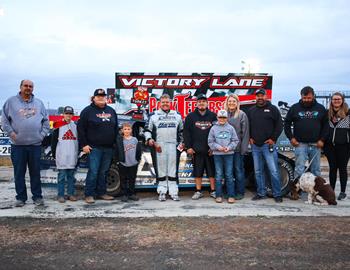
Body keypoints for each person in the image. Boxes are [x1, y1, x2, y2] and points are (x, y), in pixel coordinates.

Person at [1, 80, 50, 207]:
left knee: (35, 172)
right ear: (20, 87)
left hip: (35, 145)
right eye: (26, 86)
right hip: (18, 146)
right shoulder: (11, 102)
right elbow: (5, 121)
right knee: (19, 173)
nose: (28, 88)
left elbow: (46, 121)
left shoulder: (39, 103)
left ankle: (37, 197)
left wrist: (41, 135)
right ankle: (21, 198)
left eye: (31, 86)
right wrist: (12, 135)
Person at [77, 88, 117, 204]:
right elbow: (80, 129)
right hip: (94, 148)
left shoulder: (111, 110)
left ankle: (102, 193)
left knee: (104, 172)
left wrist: (114, 143)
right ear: (94, 98)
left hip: (108, 148)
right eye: (98, 96)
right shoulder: (87, 111)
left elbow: (115, 128)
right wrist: (84, 145)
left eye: (103, 96)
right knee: (93, 171)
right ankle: (89, 194)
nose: (101, 98)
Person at [284, 86, 328, 183]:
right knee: (299, 168)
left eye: (309, 98)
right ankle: (297, 190)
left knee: (315, 169)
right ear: (301, 96)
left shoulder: (320, 108)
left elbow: (326, 126)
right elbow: (287, 124)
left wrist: (322, 140)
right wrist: (291, 138)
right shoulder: (294, 108)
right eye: (304, 98)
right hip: (300, 144)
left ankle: (316, 191)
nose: (306, 100)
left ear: (313, 96)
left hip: (316, 144)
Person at [144, 94, 184, 201]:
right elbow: (147, 130)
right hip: (159, 145)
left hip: (173, 145)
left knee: (172, 170)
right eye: (163, 102)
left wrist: (182, 142)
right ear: (159, 103)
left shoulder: (177, 115)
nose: (165, 104)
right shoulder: (153, 115)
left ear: (170, 102)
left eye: (167, 102)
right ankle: (161, 191)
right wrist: (150, 140)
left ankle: (173, 192)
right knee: (161, 169)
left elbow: (182, 131)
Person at [248, 88, 283, 203]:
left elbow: (279, 125)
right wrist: (249, 138)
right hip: (255, 146)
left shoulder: (273, 109)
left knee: (273, 171)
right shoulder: (251, 110)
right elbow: (248, 126)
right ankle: (261, 193)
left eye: (262, 95)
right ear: (255, 97)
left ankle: (277, 194)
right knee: (258, 171)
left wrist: (273, 139)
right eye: (258, 96)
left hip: (268, 146)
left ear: (266, 96)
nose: (260, 98)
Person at [183, 94, 217, 200]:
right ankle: (198, 191)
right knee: (198, 172)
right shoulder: (190, 116)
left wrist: (214, 147)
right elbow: (186, 133)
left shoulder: (213, 116)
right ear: (196, 103)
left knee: (212, 172)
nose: (201, 103)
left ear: (207, 103)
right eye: (199, 101)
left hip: (210, 150)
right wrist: (188, 147)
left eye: (203, 101)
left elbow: (217, 132)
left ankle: (213, 191)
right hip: (196, 150)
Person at [208, 109, 239, 203]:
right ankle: (218, 195)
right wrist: (218, 147)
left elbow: (235, 140)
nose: (222, 119)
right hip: (217, 155)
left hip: (229, 154)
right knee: (218, 175)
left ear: (227, 118)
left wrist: (229, 147)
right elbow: (210, 141)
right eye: (220, 117)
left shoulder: (231, 128)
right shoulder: (213, 128)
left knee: (229, 175)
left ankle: (231, 195)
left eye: (224, 117)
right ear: (217, 117)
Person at [323, 92, 350, 200]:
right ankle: (332, 191)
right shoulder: (327, 113)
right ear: (331, 101)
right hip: (330, 146)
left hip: (344, 146)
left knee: (342, 169)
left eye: (338, 99)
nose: (336, 101)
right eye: (334, 99)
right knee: (332, 169)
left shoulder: (348, 113)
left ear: (342, 100)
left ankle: (343, 191)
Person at [224, 94, 250, 200]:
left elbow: (245, 133)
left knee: (238, 170)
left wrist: (244, 149)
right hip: (225, 150)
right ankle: (229, 191)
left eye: (234, 101)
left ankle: (240, 192)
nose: (231, 103)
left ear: (237, 103)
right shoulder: (223, 114)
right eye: (229, 101)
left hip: (238, 149)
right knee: (228, 171)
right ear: (227, 102)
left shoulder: (242, 115)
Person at [51, 106, 79, 203]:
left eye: (70, 114)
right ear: (63, 114)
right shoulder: (58, 125)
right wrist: (55, 154)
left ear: (73, 115)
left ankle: (70, 194)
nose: (68, 115)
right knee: (62, 176)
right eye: (66, 113)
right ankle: (61, 195)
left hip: (72, 154)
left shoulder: (75, 126)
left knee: (71, 176)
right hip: (61, 155)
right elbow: (53, 141)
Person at [116, 122, 142, 202]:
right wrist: (118, 160)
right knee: (123, 179)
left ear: (131, 130)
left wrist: (138, 159)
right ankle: (124, 194)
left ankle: (131, 194)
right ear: (122, 130)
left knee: (132, 179)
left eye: (128, 129)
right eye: (125, 129)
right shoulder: (120, 140)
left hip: (133, 162)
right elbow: (117, 151)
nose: (127, 131)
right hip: (123, 163)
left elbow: (138, 150)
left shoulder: (135, 139)